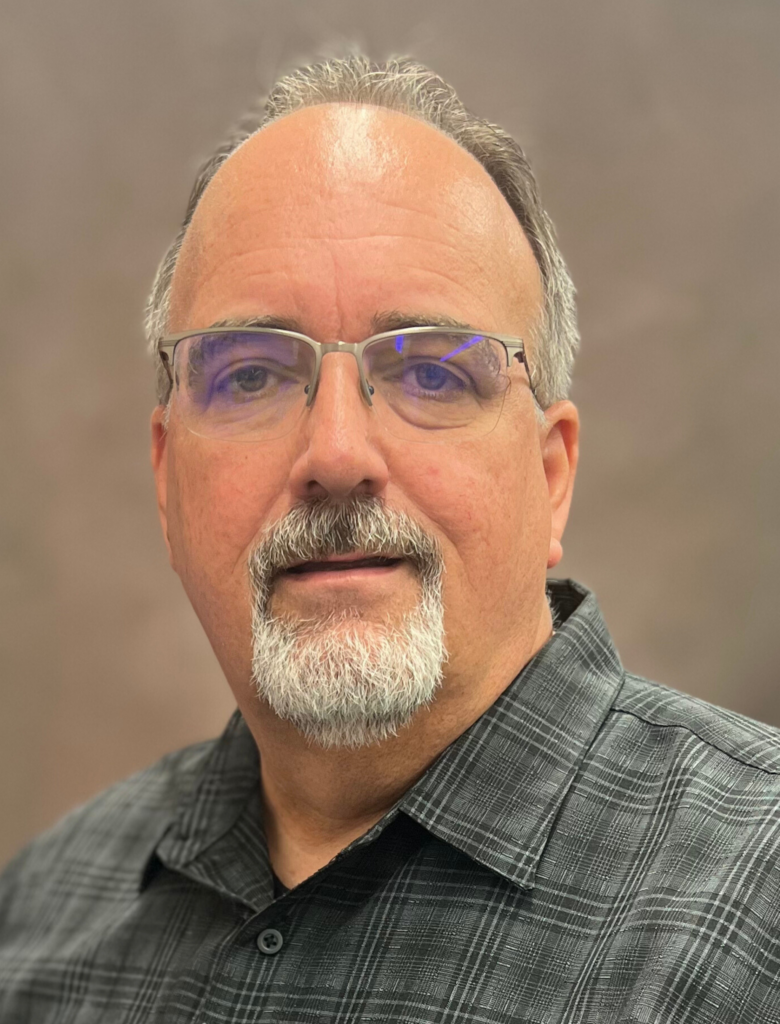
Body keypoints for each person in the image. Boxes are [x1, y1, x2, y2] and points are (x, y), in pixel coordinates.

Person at [1, 55, 778, 1024]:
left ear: (550, 476)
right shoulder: (37, 919)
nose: (336, 452)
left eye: (432, 374)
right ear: (167, 480)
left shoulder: (758, 911)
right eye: (249, 375)